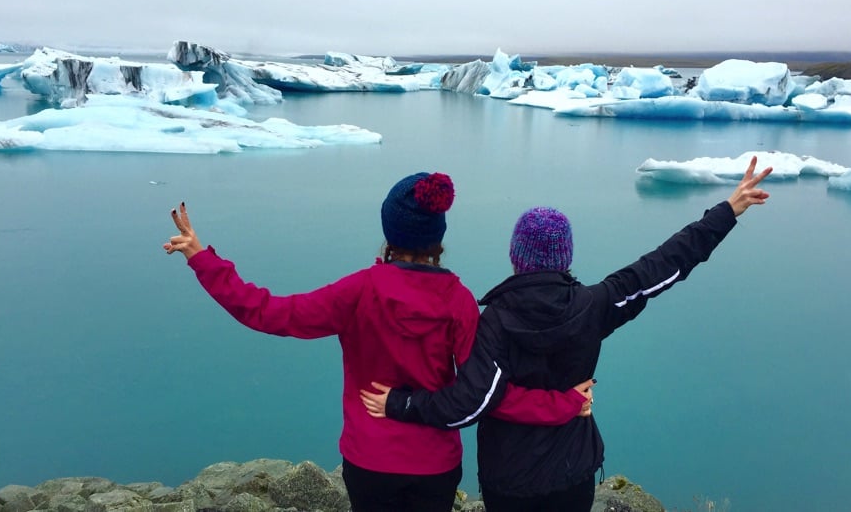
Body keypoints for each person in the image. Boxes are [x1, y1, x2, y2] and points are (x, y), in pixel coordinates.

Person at [360, 157, 773, 511]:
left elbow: (469, 405)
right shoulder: (595, 305)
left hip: (510, 479)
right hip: (573, 472)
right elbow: (665, 264)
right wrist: (727, 211)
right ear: (566, 256)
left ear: (515, 256)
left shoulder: (494, 322)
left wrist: (402, 403)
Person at [163, 171, 592, 512]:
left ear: (390, 234)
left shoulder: (358, 292)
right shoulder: (459, 301)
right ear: (437, 239)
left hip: (369, 461)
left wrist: (202, 258)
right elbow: (484, 394)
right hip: (435, 465)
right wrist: (565, 403)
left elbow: (266, 312)